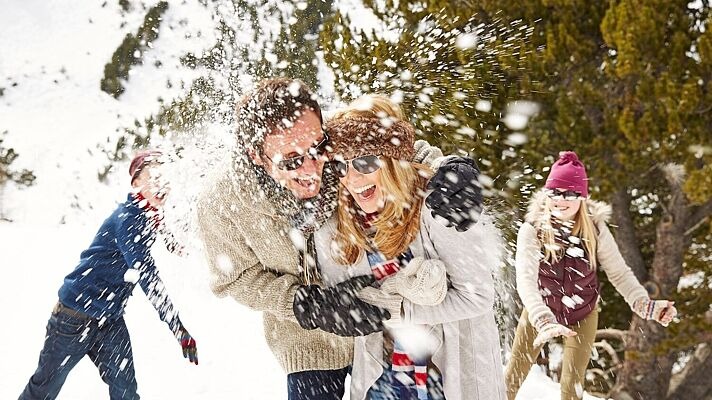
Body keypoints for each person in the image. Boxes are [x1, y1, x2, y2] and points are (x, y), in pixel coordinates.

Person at [197, 79, 484, 400]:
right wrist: (306, 305)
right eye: (292, 160)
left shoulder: (321, 132)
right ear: (257, 155)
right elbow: (235, 279)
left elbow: (390, 144)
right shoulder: (220, 201)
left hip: (379, 320)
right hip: (310, 339)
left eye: (318, 149)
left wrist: (450, 168)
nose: (311, 169)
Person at [314, 95, 507, 400]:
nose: (352, 178)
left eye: (365, 161)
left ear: (392, 162)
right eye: (341, 165)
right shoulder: (338, 227)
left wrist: (395, 308)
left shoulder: (439, 205)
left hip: (446, 378)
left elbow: (477, 297)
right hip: (382, 382)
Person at [19, 150, 198, 400]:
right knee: (43, 390)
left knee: (125, 392)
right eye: (154, 177)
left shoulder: (149, 213)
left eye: (165, 178)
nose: (161, 184)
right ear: (136, 183)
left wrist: (178, 244)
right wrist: (177, 328)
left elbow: (161, 226)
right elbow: (147, 276)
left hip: (109, 319)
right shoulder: (128, 220)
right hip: (74, 317)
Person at [504, 151, 677, 400]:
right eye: (555, 193)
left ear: (582, 197)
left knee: (571, 388)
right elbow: (525, 280)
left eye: (570, 194)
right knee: (512, 379)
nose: (561, 200)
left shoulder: (595, 229)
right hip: (540, 310)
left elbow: (619, 273)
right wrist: (543, 318)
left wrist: (646, 306)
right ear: (546, 194)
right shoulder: (532, 229)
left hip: (582, 312)